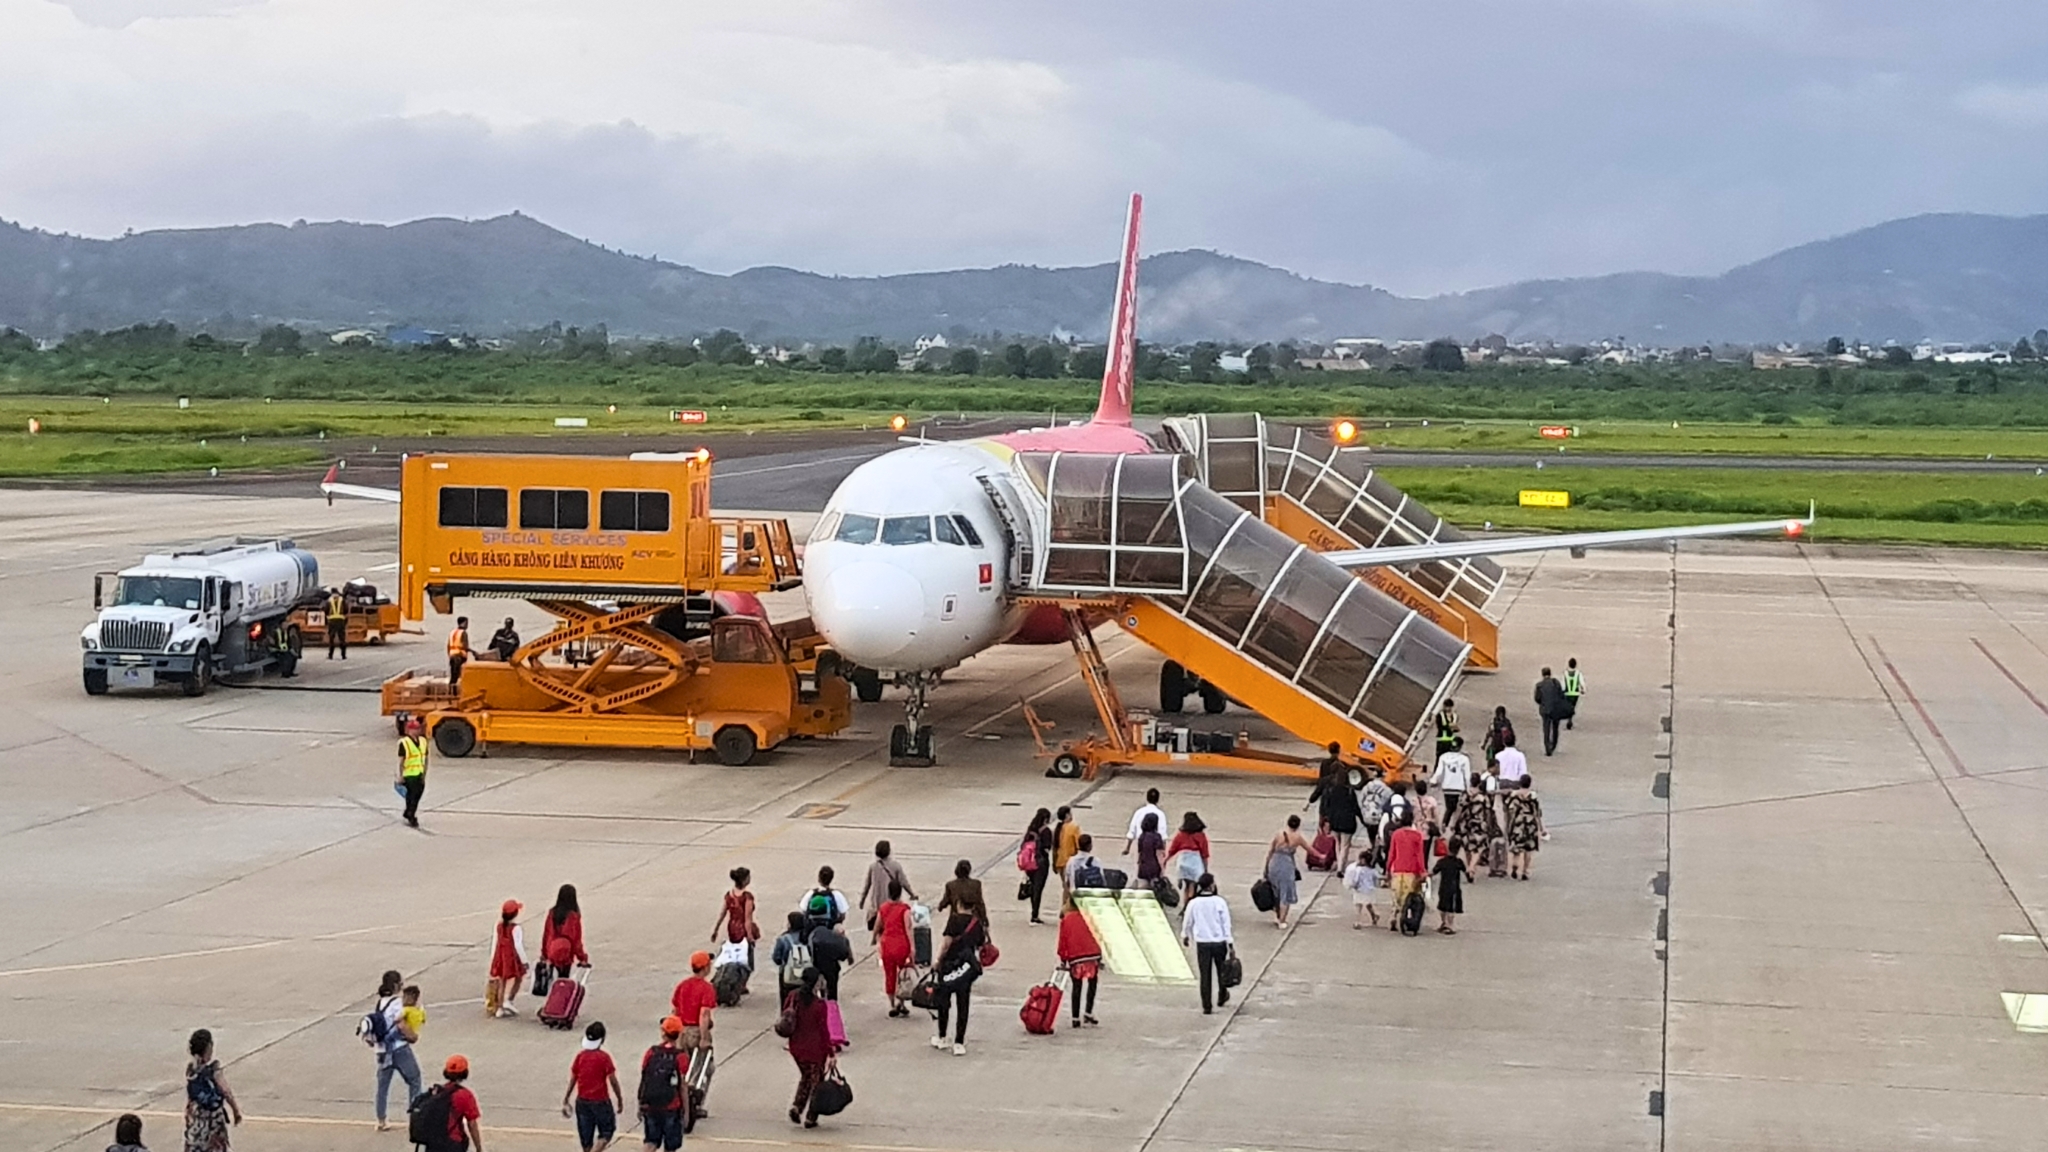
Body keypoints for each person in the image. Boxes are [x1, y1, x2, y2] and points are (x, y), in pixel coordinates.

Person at [367, 969, 421, 1132]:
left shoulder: (381, 1003)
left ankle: (381, 1120)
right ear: (397, 985)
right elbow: (401, 1024)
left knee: (383, 1086)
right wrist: (413, 1037)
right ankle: (415, 1118)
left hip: (382, 1051)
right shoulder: (398, 1003)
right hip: (398, 1049)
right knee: (414, 1080)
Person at [782, 968, 834, 1128]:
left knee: (806, 1076)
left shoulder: (792, 997)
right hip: (815, 1048)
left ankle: (797, 1107)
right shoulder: (819, 1005)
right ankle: (811, 1116)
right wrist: (831, 1052)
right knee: (817, 1082)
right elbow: (824, 1030)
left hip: (796, 1045)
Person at [930, 911, 985, 1055]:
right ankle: (959, 1042)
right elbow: (981, 945)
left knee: (944, 1001)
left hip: (948, 965)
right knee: (963, 1003)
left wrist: (937, 961)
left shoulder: (954, 919)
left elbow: (946, 943)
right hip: (965, 968)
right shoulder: (976, 922)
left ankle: (942, 1037)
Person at [563, 1022, 622, 1152]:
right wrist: (619, 1099)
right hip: (600, 1101)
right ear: (603, 1039)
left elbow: (574, 1078)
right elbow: (613, 1080)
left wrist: (566, 1098)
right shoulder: (604, 1058)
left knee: (586, 1140)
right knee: (607, 1131)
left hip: (582, 1101)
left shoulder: (580, 1056)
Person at [1180, 873, 1234, 1014]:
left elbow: (1188, 921)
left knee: (1205, 974)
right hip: (1219, 942)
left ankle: (1207, 1005)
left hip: (1203, 942)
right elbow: (1225, 923)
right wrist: (1230, 942)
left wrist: (1185, 935)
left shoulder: (1194, 903)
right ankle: (1222, 994)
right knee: (1221, 970)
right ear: (1211, 885)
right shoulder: (1219, 902)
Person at [182, 1029, 240, 1152]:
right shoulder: (213, 1068)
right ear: (209, 1047)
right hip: (213, 1117)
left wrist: (188, 1111)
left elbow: (191, 1094)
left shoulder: (191, 1068)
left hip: (197, 1115)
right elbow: (225, 1091)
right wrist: (235, 1110)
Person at [637, 1019, 686, 1152]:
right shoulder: (680, 1056)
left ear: (663, 1033)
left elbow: (644, 1077)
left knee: (651, 1141)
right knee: (670, 1146)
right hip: (671, 1106)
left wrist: (640, 1103)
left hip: (651, 1103)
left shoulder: (651, 1052)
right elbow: (682, 1086)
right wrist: (686, 1110)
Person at [1056, 899, 1103, 1027]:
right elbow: (1099, 936)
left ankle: (1075, 1017)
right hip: (1092, 954)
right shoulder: (1092, 917)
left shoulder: (1067, 919)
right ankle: (1088, 1011)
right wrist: (1100, 955)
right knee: (1092, 982)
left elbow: (1063, 940)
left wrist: (1063, 958)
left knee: (1077, 986)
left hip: (1075, 957)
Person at [710, 867, 759, 986]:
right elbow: (747, 919)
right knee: (746, 958)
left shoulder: (729, 895)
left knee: (734, 955)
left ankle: (732, 979)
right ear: (744, 880)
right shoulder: (747, 897)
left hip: (732, 927)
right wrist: (750, 936)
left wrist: (716, 929)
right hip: (742, 928)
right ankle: (741, 984)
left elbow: (722, 913)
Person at [872, 879, 915, 1016]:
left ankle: (891, 1005)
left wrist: (875, 939)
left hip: (887, 945)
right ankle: (901, 1003)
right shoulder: (905, 909)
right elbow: (908, 929)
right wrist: (912, 947)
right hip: (902, 945)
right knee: (903, 976)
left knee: (889, 975)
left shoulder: (883, 908)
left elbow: (877, 926)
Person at [1308, 766, 1364, 869]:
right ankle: (1341, 868)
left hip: (1335, 821)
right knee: (1345, 845)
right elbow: (1356, 808)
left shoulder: (1331, 791)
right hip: (1348, 821)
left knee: (1337, 844)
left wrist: (1325, 819)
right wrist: (1363, 820)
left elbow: (1327, 806)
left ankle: (1339, 864)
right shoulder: (1350, 792)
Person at [1264, 815, 1309, 928]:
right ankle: (1282, 920)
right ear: (1298, 825)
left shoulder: (1279, 834)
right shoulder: (1298, 837)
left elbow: (1270, 851)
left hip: (1274, 863)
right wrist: (1321, 855)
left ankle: (1277, 916)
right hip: (1287, 865)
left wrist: (1266, 867)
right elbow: (1309, 849)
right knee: (1286, 892)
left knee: (1276, 891)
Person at [1501, 774, 1549, 880]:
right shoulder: (1533, 796)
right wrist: (1541, 828)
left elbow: (1508, 809)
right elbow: (1537, 813)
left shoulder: (1513, 795)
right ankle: (1525, 871)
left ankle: (1514, 866)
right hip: (1529, 824)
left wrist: (1507, 824)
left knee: (1515, 848)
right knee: (1528, 849)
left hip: (1517, 824)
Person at [1384, 814, 1427, 931]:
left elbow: (1391, 853)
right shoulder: (1417, 836)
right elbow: (1419, 855)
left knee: (1396, 896)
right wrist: (1422, 871)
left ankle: (1393, 916)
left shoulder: (1396, 834)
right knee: (1408, 898)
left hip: (1398, 869)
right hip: (1412, 871)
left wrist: (1387, 869)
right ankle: (1406, 919)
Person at [857, 842, 915, 927]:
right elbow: (903, 882)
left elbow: (867, 885)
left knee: (877, 932)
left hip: (876, 906)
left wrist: (862, 901)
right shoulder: (896, 866)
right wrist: (912, 894)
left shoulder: (873, 867)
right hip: (890, 907)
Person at [669, 952, 717, 1055]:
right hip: (695, 1032)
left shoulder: (682, 985)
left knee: (683, 1064)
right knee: (701, 1066)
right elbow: (704, 1014)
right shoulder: (706, 988)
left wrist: (673, 1033)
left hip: (681, 1031)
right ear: (705, 968)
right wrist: (704, 1038)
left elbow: (675, 1011)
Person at [435, 1054, 483, 1152]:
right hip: (453, 1142)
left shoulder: (437, 1092)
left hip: (434, 1142)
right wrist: (479, 1148)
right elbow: (472, 1124)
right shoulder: (465, 1095)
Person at [488, 899, 527, 1018]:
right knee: (518, 978)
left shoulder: (499, 926)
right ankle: (509, 1000)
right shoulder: (516, 928)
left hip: (501, 956)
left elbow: (495, 942)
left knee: (502, 981)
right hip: (512, 957)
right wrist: (524, 961)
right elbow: (518, 945)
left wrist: (493, 959)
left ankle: (499, 1007)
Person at [543, 884, 589, 984]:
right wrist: (582, 958)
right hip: (565, 952)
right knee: (564, 978)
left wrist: (544, 954)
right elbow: (576, 939)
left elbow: (546, 934)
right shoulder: (573, 916)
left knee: (553, 977)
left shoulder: (552, 912)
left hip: (552, 949)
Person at [938, 858, 989, 943]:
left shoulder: (951, 885)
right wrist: (984, 920)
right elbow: (980, 903)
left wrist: (940, 907)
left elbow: (945, 901)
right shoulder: (976, 884)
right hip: (972, 919)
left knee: (951, 942)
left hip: (956, 919)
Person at [1165, 812, 1210, 904]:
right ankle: (1190, 905)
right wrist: (1205, 869)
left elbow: (1173, 849)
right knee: (1193, 885)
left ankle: (1185, 905)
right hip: (1195, 860)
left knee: (1186, 885)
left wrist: (1166, 860)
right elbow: (1204, 853)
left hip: (1183, 860)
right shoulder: (1200, 835)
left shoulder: (1181, 834)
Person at [1019, 810, 1054, 924]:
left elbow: (1023, 845)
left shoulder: (1031, 831)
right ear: (1046, 819)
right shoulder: (1046, 831)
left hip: (1029, 863)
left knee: (1033, 886)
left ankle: (1033, 910)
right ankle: (1035, 914)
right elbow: (1047, 848)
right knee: (1038, 889)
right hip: (1041, 863)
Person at [1433, 838, 1475, 933]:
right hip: (1454, 887)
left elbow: (1434, 871)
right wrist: (1470, 876)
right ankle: (1450, 925)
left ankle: (1443, 922)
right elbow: (1466, 872)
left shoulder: (1442, 861)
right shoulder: (1458, 862)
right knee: (1452, 907)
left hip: (1443, 886)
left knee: (1442, 905)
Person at [770, 911, 810, 1006]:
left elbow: (776, 958)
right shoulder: (808, 937)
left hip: (788, 973)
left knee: (786, 1000)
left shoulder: (783, 939)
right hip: (806, 972)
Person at [806, 918, 852, 1002]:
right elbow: (844, 955)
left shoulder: (814, 934)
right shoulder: (838, 938)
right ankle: (832, 1006)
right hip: (832, 967)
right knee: (832, 989)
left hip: (817, 964)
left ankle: (822, 1000)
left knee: (817, 987)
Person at [396, 717, 428, 829]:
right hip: (409, 774)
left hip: (419, 772)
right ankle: (411, 816)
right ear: (408, 730)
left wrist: (424, 773)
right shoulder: (404, 743)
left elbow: (425, 758)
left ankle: (408, 811)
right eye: (414, 729)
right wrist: (400, 776)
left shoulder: (423, 741)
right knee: (412, 796)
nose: (416, 731)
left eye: (418, 729)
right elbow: (401, 760)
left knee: (418, 794)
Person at [1431, 735, 1472, 823]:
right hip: (1459, 788)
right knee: (1457, 809)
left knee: (1449, 808)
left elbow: (1439, 772)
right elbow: (1467, 775)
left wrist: (1433, 781)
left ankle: (1445, 824)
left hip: (1447, 787)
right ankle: (1450, 825)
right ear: (1461, 746)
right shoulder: (1464, 759)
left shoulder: (1443, 757)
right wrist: (1468, 789)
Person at [1534, 666, 1570, 756]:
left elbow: (1537, 698)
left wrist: (1542, 703)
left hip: (1545, 709)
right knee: (1555, 727)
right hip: (1555, 708)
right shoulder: (1556, 683)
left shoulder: (1539, 685)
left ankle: (1547, 748)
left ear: (1542, 675)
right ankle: (1553, 745)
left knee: (1546, 728)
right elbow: (1561, 695)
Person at [1343, 849, 1380, 928]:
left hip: (1360, 890)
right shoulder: (1372, 870)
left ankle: (1357, 922)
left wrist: (1353, 885)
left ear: (1363, 860)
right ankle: (1374, 916)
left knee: (1358, 906)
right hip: (1370, 890)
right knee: (1368, 905)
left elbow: (1356, 880)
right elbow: (1378, 877)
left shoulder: (1358, 870)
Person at [1051, 806, 1082, 900]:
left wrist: (1054, 863)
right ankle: (1066, 908)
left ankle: (1065, 907)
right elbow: (1079, 845)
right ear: (1067, 815)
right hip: (1070, 861)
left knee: (1065, 886)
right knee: (1069, 887)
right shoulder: (1074, 828)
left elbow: (1054, 848)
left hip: (1060, 861)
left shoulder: (1057, 829)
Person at [1124, 787, 1165, 856]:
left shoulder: (1139, 812)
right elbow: (1162, 834)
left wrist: (1127, 848)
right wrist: (1163, 851)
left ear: (1147, 798)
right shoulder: (1160, 814)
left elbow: (1132, 830)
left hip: (1141, 844)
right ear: (1157, 799)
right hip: (1155, 846)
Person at [1135, 812, 1166, 886]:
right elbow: (1159, 854)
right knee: (1155, 888)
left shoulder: (1142, 836)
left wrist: (1139, 866)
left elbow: (1139, 853)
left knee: (1143, 889)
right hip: (1154, 867)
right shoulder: (1157, 837)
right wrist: (1162, 868)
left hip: (1143, 866)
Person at [1482, 706, 1515, 770]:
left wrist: (1484, 744)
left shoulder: (1494, 722)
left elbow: (1489, 733)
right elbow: (1512, 733)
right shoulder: (1507, 722)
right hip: (1504, 744)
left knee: (1492, 756)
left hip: (1496, 744)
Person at [447, 616, 474, 691]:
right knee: (460, 675)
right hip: (460, 656)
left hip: (452, 655)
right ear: (464, 623)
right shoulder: (463, 633)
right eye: (467, 623)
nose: (467, 625)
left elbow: (448, 645)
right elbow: (465, 645)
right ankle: (457, 694)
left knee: (453, 676)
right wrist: (474, 652)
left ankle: (451, 693)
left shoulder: (452, 632)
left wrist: (450, 654)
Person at [324, 586, 348, 660]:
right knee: (342, 638)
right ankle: (343, 655)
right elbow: (346, 610)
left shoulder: (329, 600)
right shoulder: (342, 599)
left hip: (332, 621)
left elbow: (326, 610)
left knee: (332, 638)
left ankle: (330, 655)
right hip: (341, 620)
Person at [1434, 698, 1458, 765]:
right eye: (1447, 706)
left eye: (1450, 707)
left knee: (1449, 759)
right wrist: (1449, 726)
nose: (1448, 708)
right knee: (1439, 758)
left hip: (1450, 740)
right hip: (1442, 740)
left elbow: (1455, 726)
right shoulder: (1440, 715)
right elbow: (1440, 727)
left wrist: (1455, 728)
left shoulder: (1454, 716)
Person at [1563, 657, 1584, 729]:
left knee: (1568, 706)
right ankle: (1570, 718)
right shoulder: (1578, 673)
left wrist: (1562, 691)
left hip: (1567, 693)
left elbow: (1563, 683)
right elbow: (1581, 682)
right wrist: (1583, 689)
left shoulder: (1565, 673)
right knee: (1573, 705)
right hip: (1575, 693)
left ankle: (1569, 718)